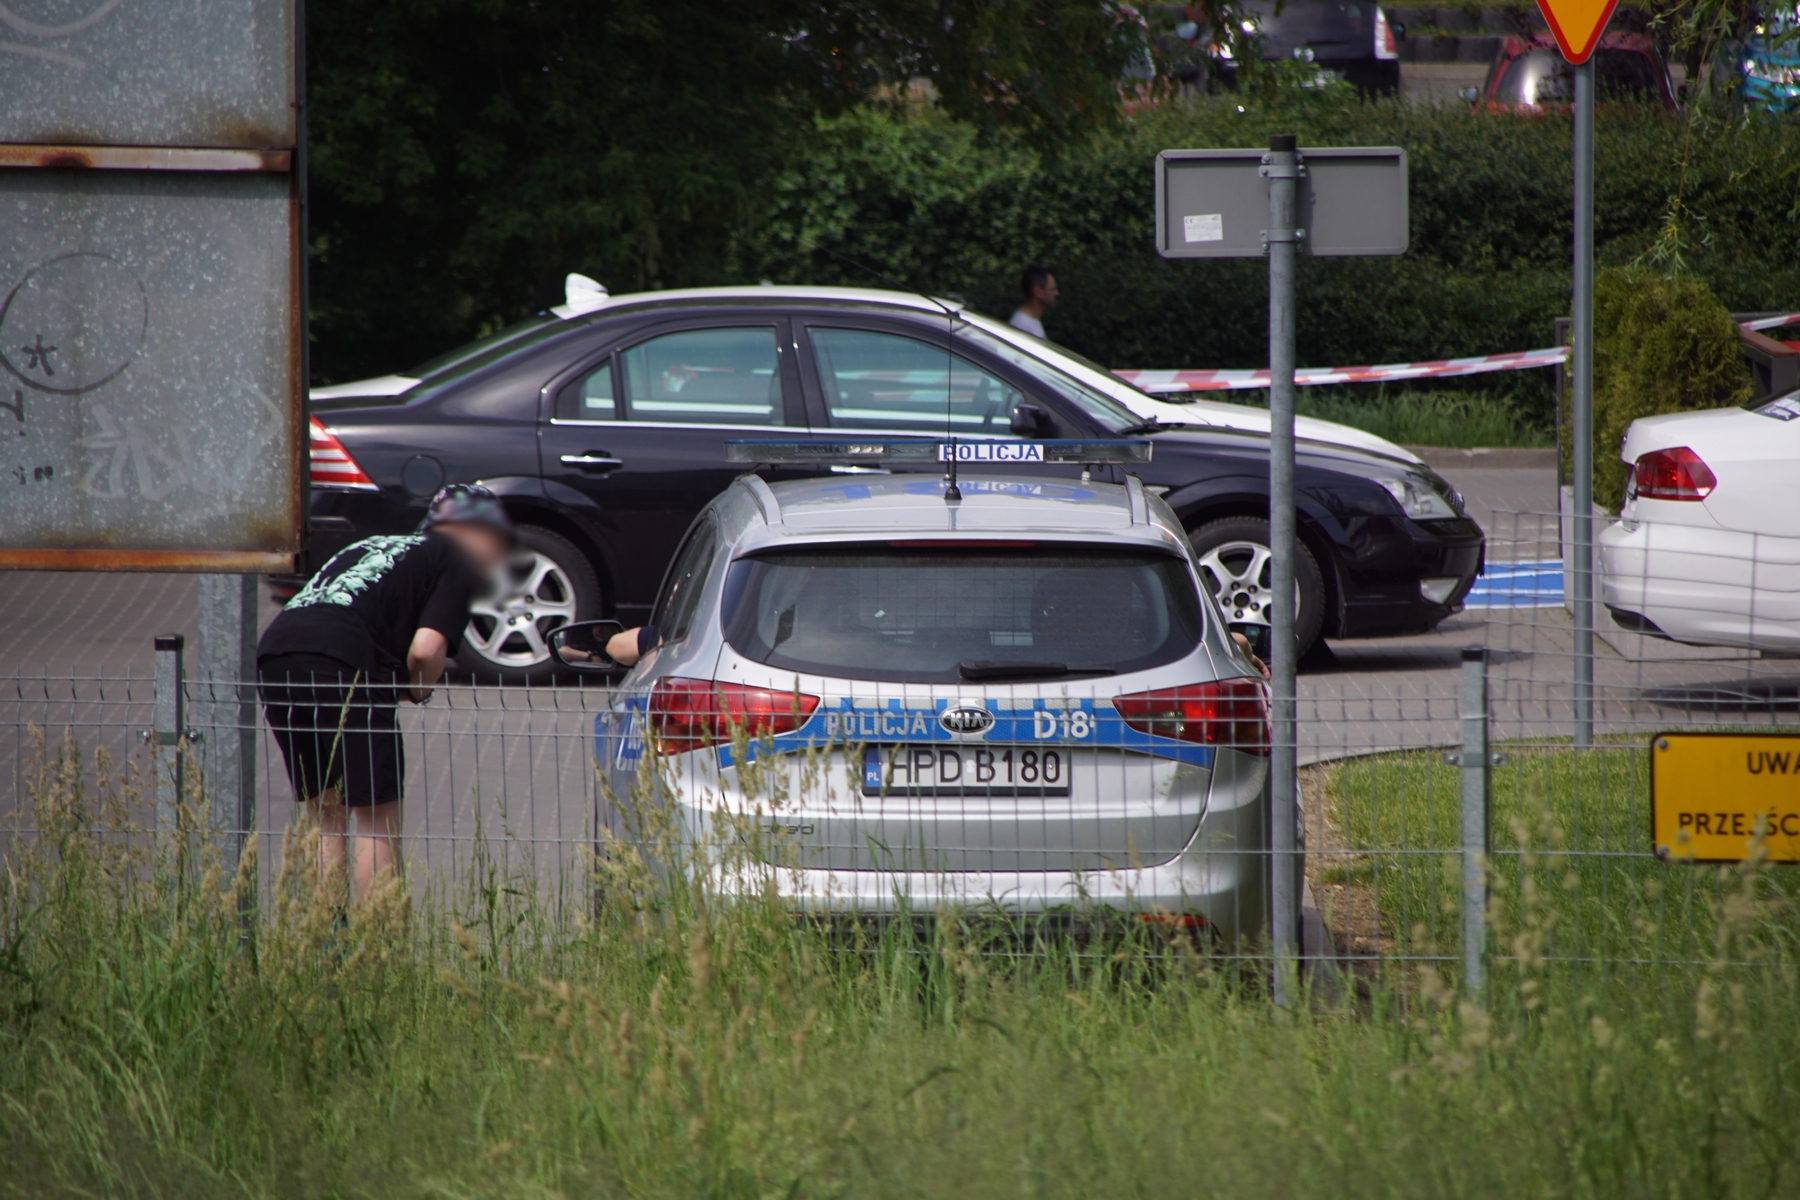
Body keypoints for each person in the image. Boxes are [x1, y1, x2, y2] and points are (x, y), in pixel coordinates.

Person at [257, 484, 513, 897]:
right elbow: (427, 649)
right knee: (375, 815)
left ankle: (326, 940)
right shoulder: (456, 560)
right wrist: (417, 691)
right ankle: (377, 942)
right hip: (344, 657)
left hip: (276, 652)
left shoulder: (374, 543)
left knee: (327, 812)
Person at [1008, 265, 1059, 339]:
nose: (1057, 293)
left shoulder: (1032, 321)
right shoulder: (1021, 325)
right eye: (1053, 289)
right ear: (1037, 292)